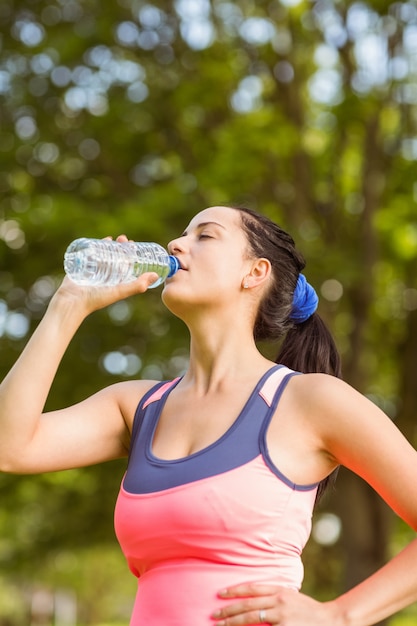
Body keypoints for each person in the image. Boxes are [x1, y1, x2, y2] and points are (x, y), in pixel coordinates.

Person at [1, 204, 417, 626]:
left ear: (255, 272)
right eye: (183, 234)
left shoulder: (309, 400)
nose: (176, 244)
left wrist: (341, 615)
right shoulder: (137, 407)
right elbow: (9, 447)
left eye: (205, 235)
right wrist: (68, 303)